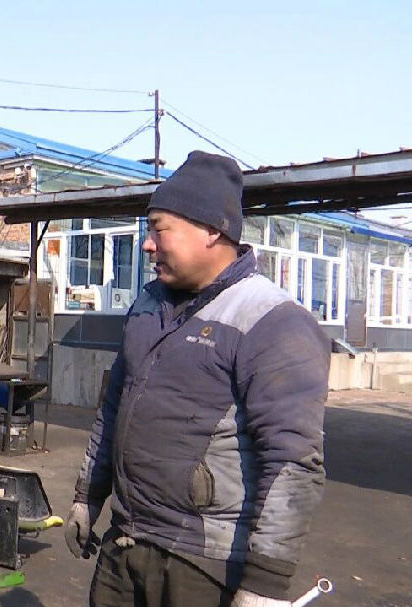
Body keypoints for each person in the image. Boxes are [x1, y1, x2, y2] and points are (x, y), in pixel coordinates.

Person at [64, 151, 330, 607]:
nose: (147, 244)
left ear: (211, 230)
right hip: (125, 545)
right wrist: (87, 498)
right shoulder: (146, 306)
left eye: (159, 228)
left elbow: (292, 460)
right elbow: (113, 411)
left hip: (201, 567)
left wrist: (265, 583)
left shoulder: (272, 321)